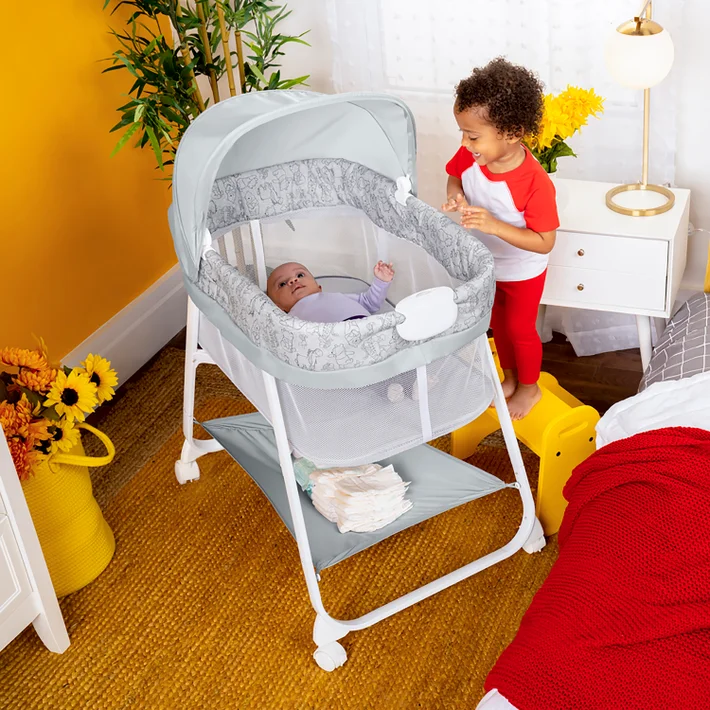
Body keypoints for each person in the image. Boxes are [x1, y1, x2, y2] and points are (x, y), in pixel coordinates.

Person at [442, 57, 559, 419]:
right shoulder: (470, 156)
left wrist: (494, 226)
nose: (465, 142)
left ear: (512, 132)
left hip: (523, 269)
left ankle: (529, 387)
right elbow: (455, 179)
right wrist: (457, 198)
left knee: (520, 329)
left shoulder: (535, 183)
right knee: (499, 326)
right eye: (463, 133)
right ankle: (510, 377)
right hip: (487, 264)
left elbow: (545, 241)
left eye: (473, 135)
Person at [266, 261, 394, 322]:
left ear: (319, 287)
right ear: (279, 307)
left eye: (300, 275)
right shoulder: (289, 320)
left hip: (366, 327)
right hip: (332, 341)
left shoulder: (337, 297)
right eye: (282, 284)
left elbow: (370, 303)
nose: (293, 280)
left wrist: (381, 281)